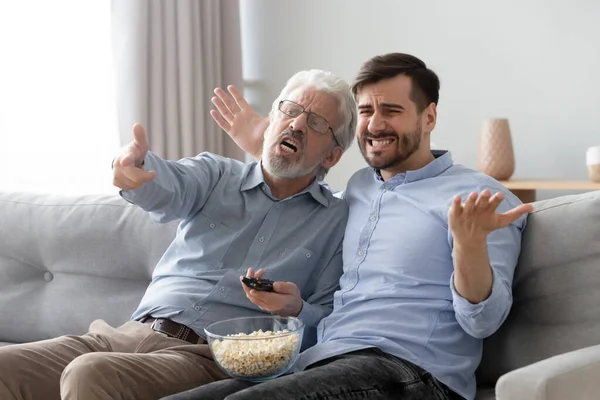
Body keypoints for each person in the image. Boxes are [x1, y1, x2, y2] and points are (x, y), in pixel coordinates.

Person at [163, 53, 534, 400]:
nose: (375, 124)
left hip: (414, 372)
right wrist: (296, 308)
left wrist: (469, 247)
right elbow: (296, 185)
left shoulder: (479, 198)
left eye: (391, 110)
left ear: (429, 117)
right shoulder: (358, 189)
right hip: (323, 358)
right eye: (367, 111)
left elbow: (484, 322)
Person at [0, 69, 357, 400]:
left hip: (209, 359)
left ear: (332, 156)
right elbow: (167, 185)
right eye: (290, 110)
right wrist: (133, 168)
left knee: (89, 373)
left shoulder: (336, 222)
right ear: (271, 120)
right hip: (126, 335)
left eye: (315, 123)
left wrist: (296, 309)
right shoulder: (216, 175)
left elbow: (328, 320)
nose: (296, 124)